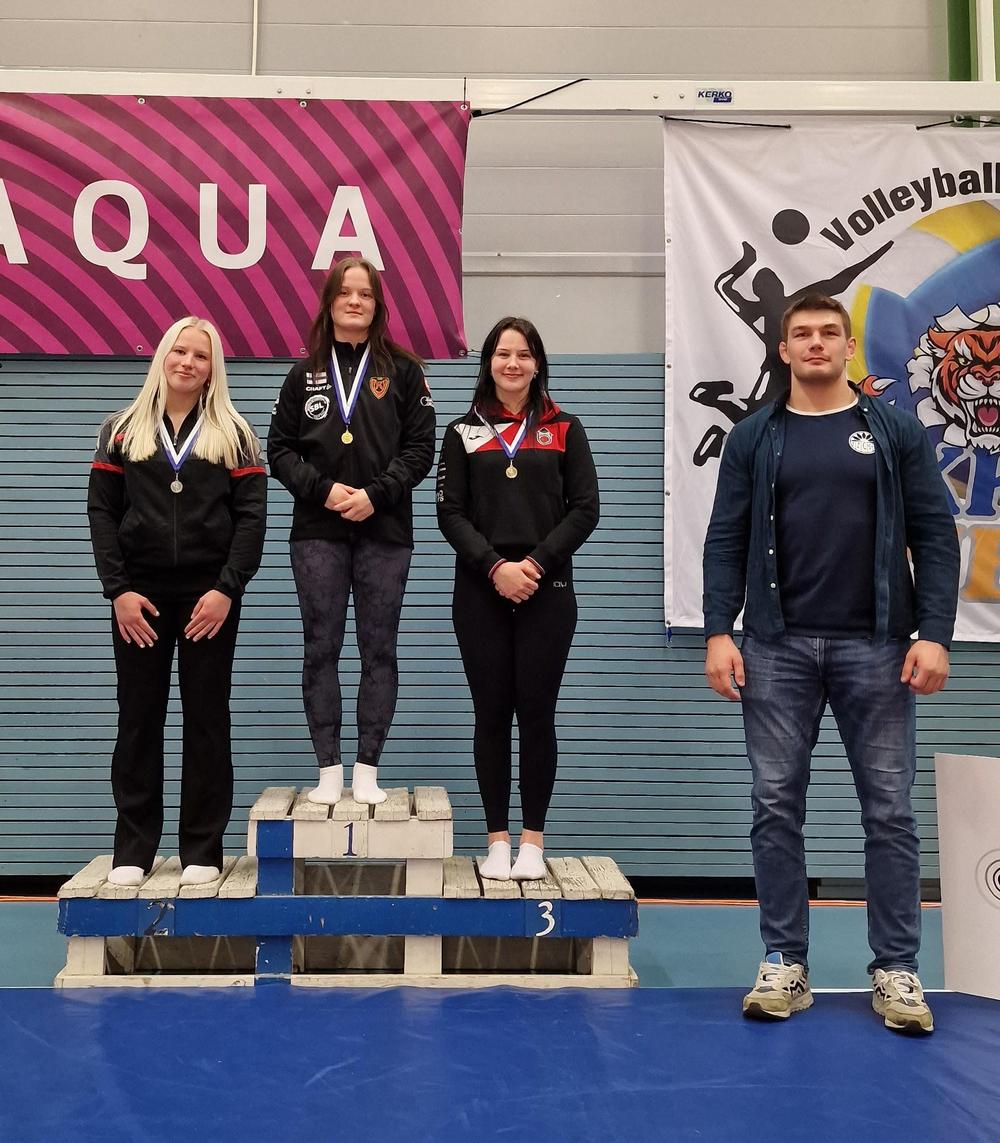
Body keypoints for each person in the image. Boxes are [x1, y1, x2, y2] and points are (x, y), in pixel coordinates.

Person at [702, 293, 960, 1034]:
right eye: (801, 334)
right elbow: (725, 539)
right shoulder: (754, 437)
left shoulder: (895, 431)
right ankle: (785, 960)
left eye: (828, 333)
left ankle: (897, 968)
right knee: (775, 804)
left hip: (878, 646)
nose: (815, 343)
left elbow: (935, 535)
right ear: (784, 350)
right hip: (776, 646)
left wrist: (934, 633)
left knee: (890, 810)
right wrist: (719, 631)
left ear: (849, 347)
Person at [87, 317, 267, 887]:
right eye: (180, 351)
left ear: (214, 368)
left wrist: (227, 589)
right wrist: (118, 590)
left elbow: (251, 519)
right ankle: (133, 848)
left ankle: (202, 849)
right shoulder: (120, 430)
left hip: (207, 598)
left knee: (206, 718)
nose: (188, 362)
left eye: (201, 356)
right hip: (139, 596)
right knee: (138, 718)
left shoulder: (235, 434)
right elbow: (102, 514)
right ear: (162, 356)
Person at [268, 258, 435, 806]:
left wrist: (376, 495)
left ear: (378, 304)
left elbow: (420, 449)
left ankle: (367, 769)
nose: (355, 301)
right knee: (321, 647)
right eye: (346, 292)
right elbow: (279, 451)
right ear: (331, 302)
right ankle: (328, 770)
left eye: (365, 293)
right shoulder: (303, 374)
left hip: (384, 529)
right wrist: (322, 490)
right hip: (317, 529)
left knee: (378, 649)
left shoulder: (404, 371)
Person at [437, 317, 600, 881]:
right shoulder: (462, 431)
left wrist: (532, 565)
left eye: (524, 354)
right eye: (503, 353)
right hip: (480, 592)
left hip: (546, 590)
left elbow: (585, 509)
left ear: (537, 364)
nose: (513, 363)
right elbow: (449, 513)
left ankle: (532, 841)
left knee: (536, 712)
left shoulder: (565, 428)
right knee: (490, 713)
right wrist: (495, 568)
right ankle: (497, 841)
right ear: (488, 362)